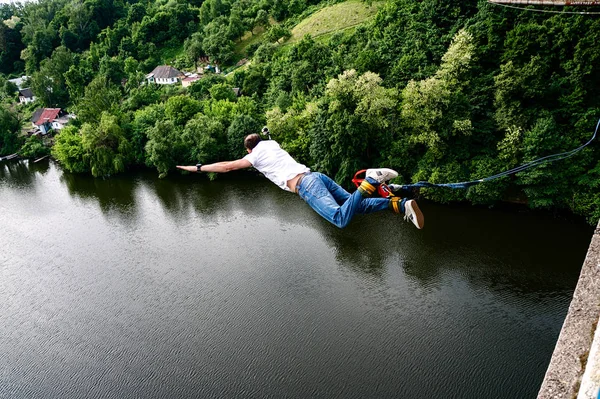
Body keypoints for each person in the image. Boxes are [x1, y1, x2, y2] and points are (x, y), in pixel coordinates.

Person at [177, 131, 424, 229]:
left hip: (306, 186)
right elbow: (266, 141)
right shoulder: (271, 144)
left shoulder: (255, 155)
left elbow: (228, 167)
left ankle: (370, 180)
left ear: (249, 150)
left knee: (340, 219)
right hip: (316, 176)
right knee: (354, 205)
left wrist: (197, 167)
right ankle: (400, 204)